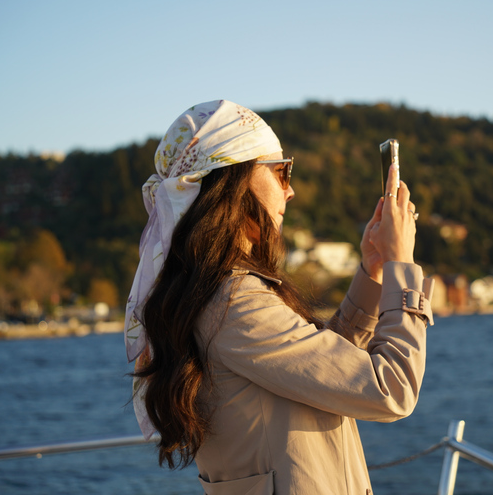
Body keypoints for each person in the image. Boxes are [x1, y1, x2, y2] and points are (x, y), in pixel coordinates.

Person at [125, 99, 434, 495]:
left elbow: (320, 367)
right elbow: (391, 389)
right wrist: (400, 264)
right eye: (280, 171)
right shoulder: (234, 302)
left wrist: (373, 274)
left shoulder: (207, 292)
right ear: (234, 181)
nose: (290, 190)